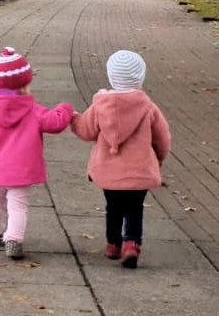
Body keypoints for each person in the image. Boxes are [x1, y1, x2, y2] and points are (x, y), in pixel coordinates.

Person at [0, 48, 74, 260]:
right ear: (24, 83)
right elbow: (56, 123)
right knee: (18, 206)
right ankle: (13, 239)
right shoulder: (32, 109)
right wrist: (65, 108)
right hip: (21, 172)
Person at [71, 49, 171, 269]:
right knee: (135, 208)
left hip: (109, 172)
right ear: (140, 77)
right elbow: (162, 138)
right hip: (139, 171)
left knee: (113, 207)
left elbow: (85, 131)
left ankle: (113, 244)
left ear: (110, 76)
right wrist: (159, 159)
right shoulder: (148, 107)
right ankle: (132, 245)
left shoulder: (100, 105)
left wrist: (73, 117)